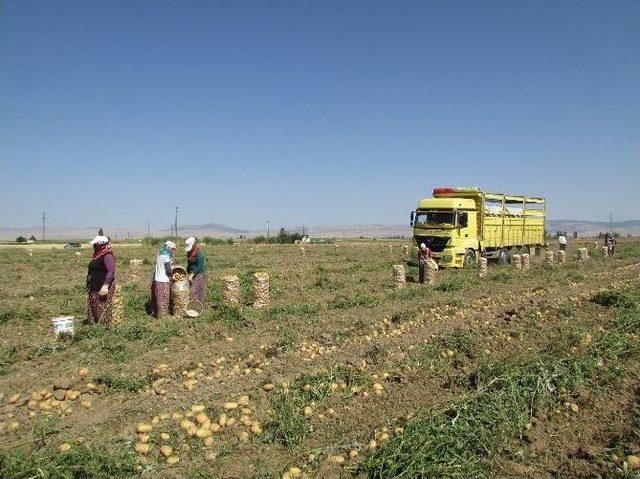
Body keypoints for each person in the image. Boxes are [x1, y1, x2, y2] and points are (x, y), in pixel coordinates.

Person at [86, 235, 116, 324]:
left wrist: (105, 286)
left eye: (95, 245)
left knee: (102, 308)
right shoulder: (97, 256)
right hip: (94, 287)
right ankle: (96, 327)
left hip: (103, 287)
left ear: (100, 245)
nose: (93, 246)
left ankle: (104, 329)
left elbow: (111, 271)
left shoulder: (107, 255)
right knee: (94, 308)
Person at [151, 240, 177, 318]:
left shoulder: (161, 253)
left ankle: (159, 314)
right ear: (168, 248)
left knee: (159, 297)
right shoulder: (166, 256)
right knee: (164, 297)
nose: (173, 251)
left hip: (157, 278)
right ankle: (163, 316)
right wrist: (173, 276)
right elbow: (168, 270)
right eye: (172, 249)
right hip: (163, 279)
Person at [185, 237, 207, 304]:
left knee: (196, 290)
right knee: (190, 289)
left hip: (199, 273)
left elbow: (199, 266)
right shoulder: (189, 253)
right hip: (192, 272)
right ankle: (192, 304)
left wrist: (192, 274)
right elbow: (189, 264)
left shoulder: (200, 253)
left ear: (194, 244)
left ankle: (197, 305)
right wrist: (187, 272)